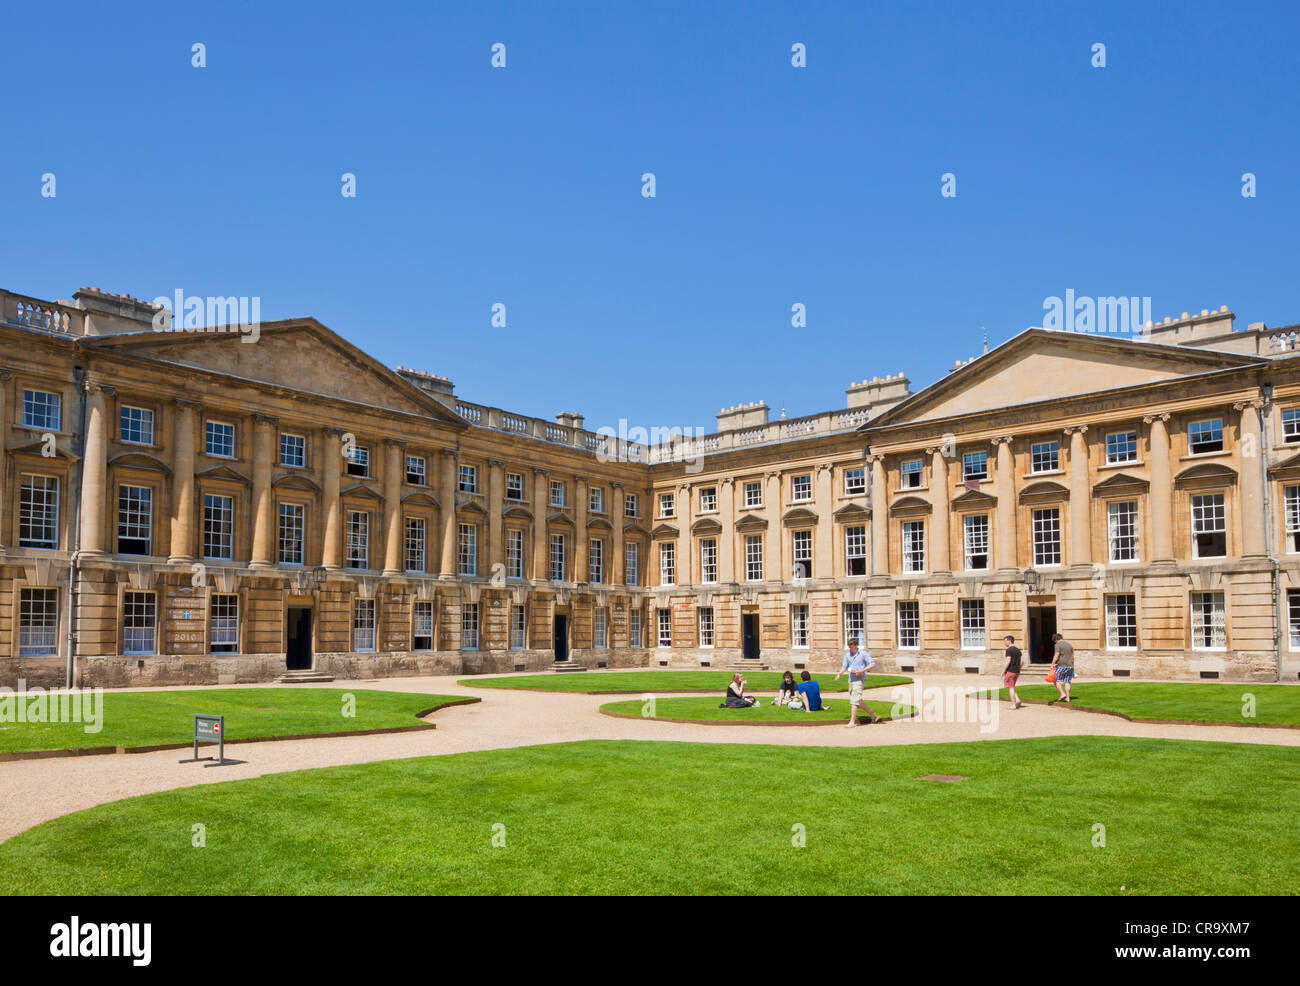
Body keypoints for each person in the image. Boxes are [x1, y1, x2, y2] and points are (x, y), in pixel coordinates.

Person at [834, 636, 878, 726]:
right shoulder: (847, 655)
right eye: (849, 646)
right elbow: (844, 666)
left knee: (854, 700)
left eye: (852, 646)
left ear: (856, 645)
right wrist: (839, 674)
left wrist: (861, 671)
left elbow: (873, 664)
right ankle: (873, 714)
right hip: (851, 679)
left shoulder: (863, 654)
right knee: (858, 700)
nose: (850, 648)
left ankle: (852, 722)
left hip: (860, 679)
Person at [1050, 632, 1075, 702]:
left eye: (1054, 641)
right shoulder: (1069, 644)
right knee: (1067, 682)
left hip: (1062, 665)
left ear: (1056, 639)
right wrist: (1072, 665)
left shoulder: (1058, 645)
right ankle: (1068, 698)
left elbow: (1056, 655)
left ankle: (1062, 694)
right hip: (1070, 666)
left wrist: (1052, 664)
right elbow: (1073, 656)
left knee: (1055, 679)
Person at [1003, 634, 1024, 709]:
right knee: (1011, 686)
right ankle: (1017, 700)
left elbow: (1008, 661)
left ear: (1009, 641)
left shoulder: (1009, 650)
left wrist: (1003, 671)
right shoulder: (1018, 650)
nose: (1004, 643)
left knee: (1010, 688)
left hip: (1010, 671)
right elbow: (1022, 661)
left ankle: (1013, 705)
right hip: (1016, 671)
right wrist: (1019, 668)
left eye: (1005, 641)